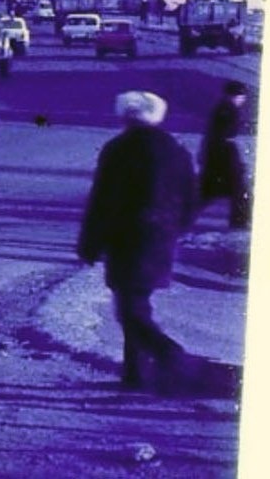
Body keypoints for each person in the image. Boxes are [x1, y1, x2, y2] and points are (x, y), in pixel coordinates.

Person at [77, 91, 200, 392]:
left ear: (127, 116)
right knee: (137, 305)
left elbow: (102, 200)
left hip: (127, 239)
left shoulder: (118, 149)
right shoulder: (176, 149)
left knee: (130, 311)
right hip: (161, 240)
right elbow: (191, 197)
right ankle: (134, 375)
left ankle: (170, 355)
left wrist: (90, 242)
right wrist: (175, 227)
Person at [198, 80, 251, 230]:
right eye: (241, 96)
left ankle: (185, 214)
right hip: (224, 152)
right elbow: (222, 134)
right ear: (235, 96)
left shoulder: (223, 108)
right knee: (238, 187)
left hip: (216, 151)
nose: (243, 100)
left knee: (208, 190)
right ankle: (240, 221)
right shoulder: (228, 110)